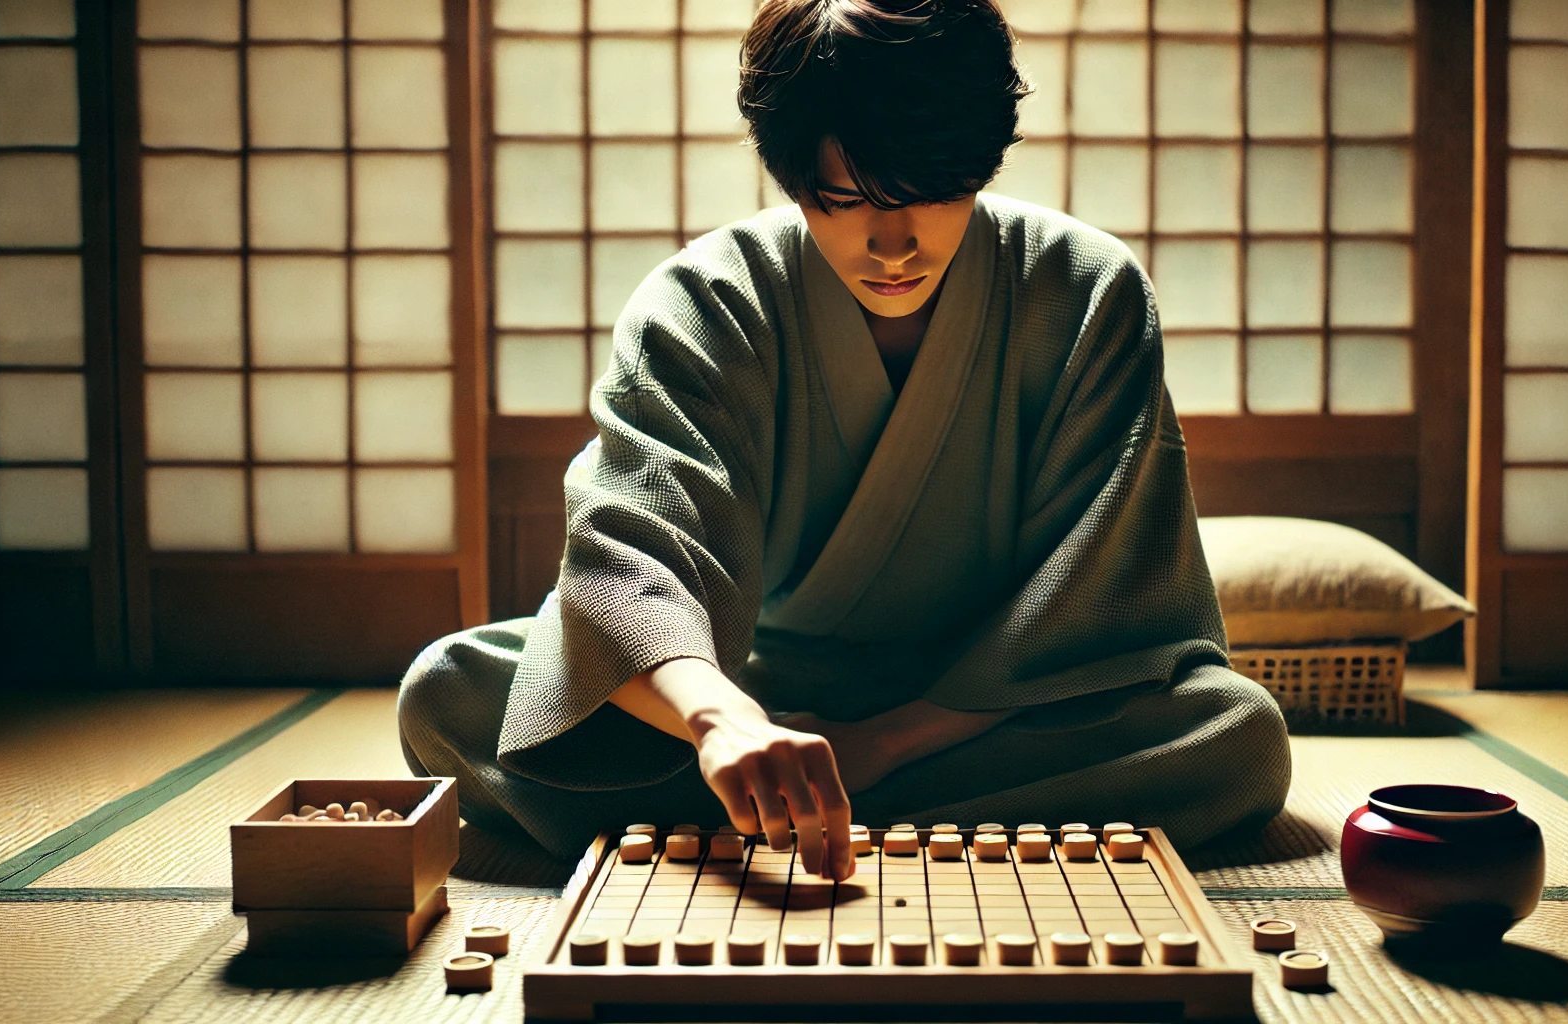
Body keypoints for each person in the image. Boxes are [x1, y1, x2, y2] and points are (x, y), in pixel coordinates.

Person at [399, 0, 1289, 879]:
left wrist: (884, 742)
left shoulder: (1086, 289)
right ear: (792, 179)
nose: (894, 244)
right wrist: (721, 721)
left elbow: (1103, 591)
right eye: (849, 199)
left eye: (934, 193)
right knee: (451, 691)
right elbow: (630, 560)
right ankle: (811, 794)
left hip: (994, 712)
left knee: (1232, 735)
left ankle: (779, 811)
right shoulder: (706, 303)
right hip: (750, 691)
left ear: (980, 162)